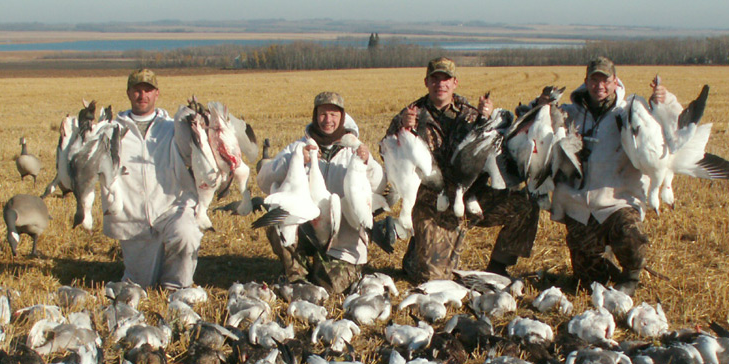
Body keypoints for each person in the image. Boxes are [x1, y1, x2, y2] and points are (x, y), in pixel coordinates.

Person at [387, 57, 540, 282]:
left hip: (471, 195)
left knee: (526, 205)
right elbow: (387, 151)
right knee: (434, 279)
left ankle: (498, 267)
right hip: (433, 202)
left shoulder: (471, 114)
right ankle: (416, 253)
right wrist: (402, 127)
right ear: (426, 82)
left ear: (455, 83)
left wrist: (486, 119)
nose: (441, 84)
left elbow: (501, 146)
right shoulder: (410, 114)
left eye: (446, 79)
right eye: (435, 79)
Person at [543, 56, 670, 292]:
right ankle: (605, 270)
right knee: (587, 284)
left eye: (605, 80)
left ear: (615, 81)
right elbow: (537, 122)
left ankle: (631, 276)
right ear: (586, 81)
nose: (599, 86)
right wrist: (542, 104)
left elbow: (663, 135)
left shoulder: (629, 113)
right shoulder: (569, 113)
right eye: (594, 79)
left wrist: (660, 105)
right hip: (579, 206)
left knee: (628, 233)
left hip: (617, 201)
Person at [257, 91, 385, 292]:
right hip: (306, 231)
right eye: (323, 114)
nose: (328, 120)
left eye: (334, 115)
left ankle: (332, 267)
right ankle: (296, 274)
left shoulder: (353, 151)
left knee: (328, 285)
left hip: (342, 240)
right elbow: (264, 181)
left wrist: (367, 161)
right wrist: (296, 161)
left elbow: (379, 185)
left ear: (342, 117)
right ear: (315, 116)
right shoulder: (300, 147)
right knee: (277, 219)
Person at [103, 68, 203, 289]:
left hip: (170, 208)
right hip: (132, 216)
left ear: (157, 93)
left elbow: (192, 154)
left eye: (148, 90)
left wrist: (198, 124)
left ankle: (176, 288)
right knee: (140, 286)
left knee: (186, 235)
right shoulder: (112, 131)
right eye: (137, 90)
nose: (142, 95)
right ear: (128, 93)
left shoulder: (171, 128)